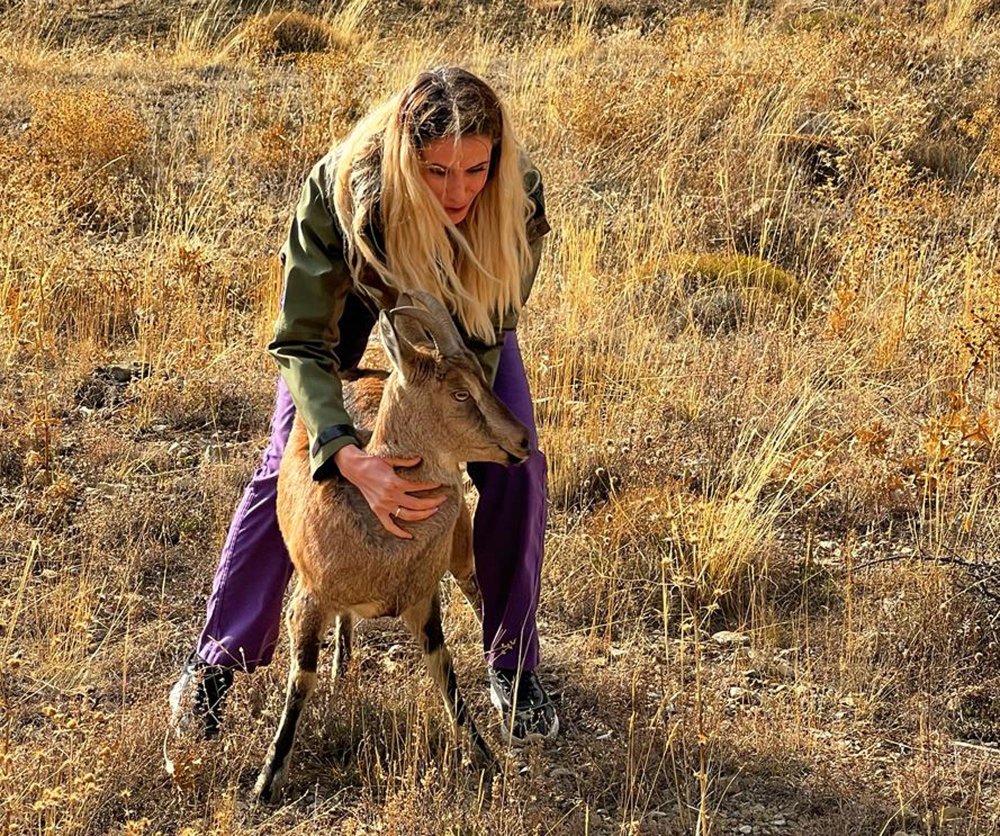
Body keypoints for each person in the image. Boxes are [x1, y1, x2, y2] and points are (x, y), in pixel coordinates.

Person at [167, 66, 558, 758]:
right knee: (289, 464)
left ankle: (513, 664)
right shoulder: (340, 187)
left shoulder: (516, 195)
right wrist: (345, 453)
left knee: (517, 470)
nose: (458, 190)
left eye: (474, 169)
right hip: (345, 322)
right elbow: (300, 340)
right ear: (407, 153)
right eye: (436, 171)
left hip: (459, 334)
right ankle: (217, 663)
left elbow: (491, 328)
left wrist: (454, 429)